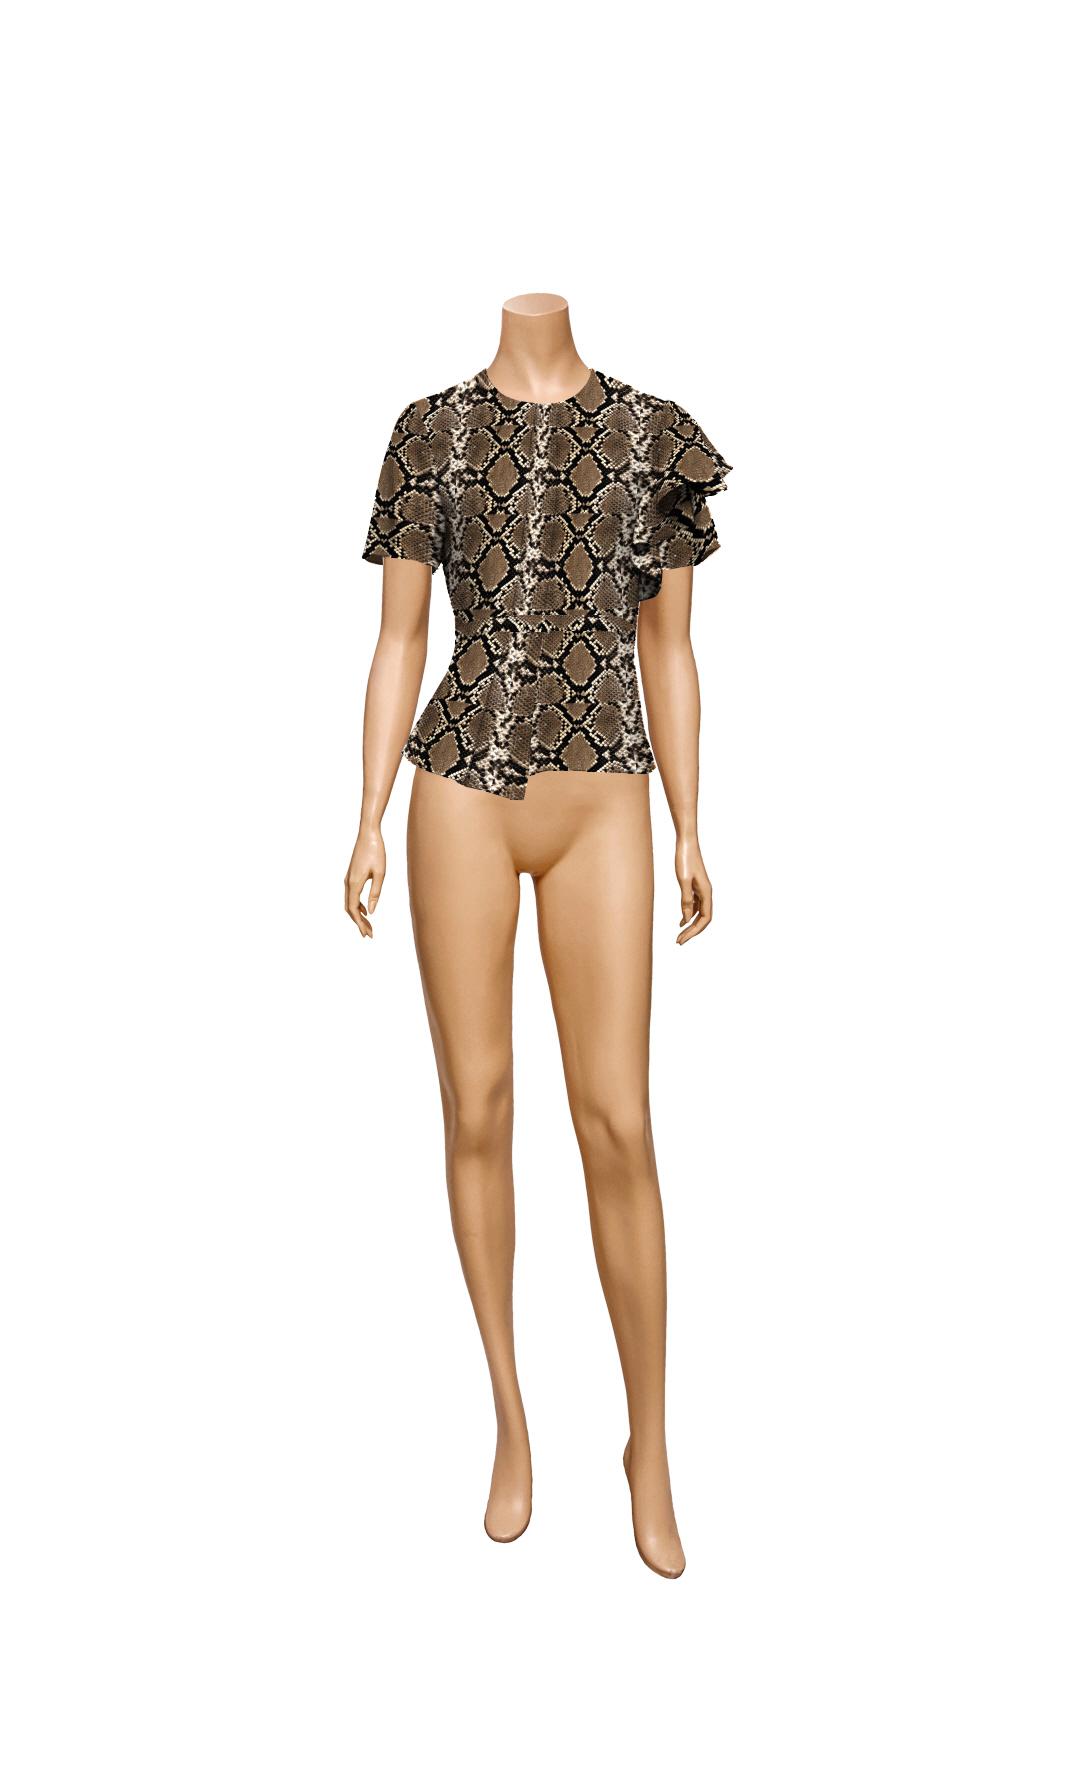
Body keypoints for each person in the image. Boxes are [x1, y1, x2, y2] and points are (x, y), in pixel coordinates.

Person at [344, 292, 731, 1578]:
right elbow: (401, 637)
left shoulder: (655, 435)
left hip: (605, 789)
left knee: (617, 1119)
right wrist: (368, 814)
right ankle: (511, 1413)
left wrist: (690, 822)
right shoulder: (429, 430)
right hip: (459, 789)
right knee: (478, 1108)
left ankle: (648, 1442)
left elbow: (670, 650)